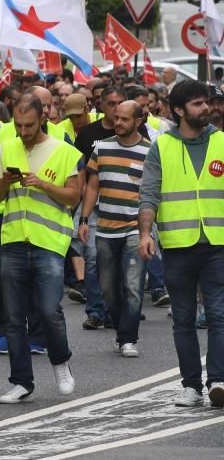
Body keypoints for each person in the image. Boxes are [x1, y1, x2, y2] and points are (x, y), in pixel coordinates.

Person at [0, 94, 81, 404]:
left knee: (49, 311)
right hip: (14, 239)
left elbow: (73, 197)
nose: (23, 131)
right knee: (13, 317)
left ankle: (60, 363)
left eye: (29, 125)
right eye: (18, 124)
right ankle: (21, 382)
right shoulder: (7, 147)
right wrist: (7, 182)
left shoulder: (65, 151)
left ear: (43, 118)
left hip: (49, 242)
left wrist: (41, 184)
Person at [139, 81, 224, 408]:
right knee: (185, 319)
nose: (207, 109)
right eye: (199, 104)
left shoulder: (220, 141)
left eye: (207, 103)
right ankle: (191, 386)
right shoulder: (161, 148)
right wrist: (145, 234)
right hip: (177, 245)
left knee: (219, 314)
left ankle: (217, 379)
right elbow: (148, 196)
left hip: (217, 244)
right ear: (178, 110)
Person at [79, 101, 150, 359]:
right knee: (108, 287)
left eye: (124, 119)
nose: (118, 122)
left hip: (134, 228)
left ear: (138, 121)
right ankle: (122, 329)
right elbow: (93, 186)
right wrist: (84, 220)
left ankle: (128, 337)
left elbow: (151, 193)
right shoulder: (103, 147)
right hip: (105, 228)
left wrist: (148, 231)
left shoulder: (149, 151)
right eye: (116, 118)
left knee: (132, 286)